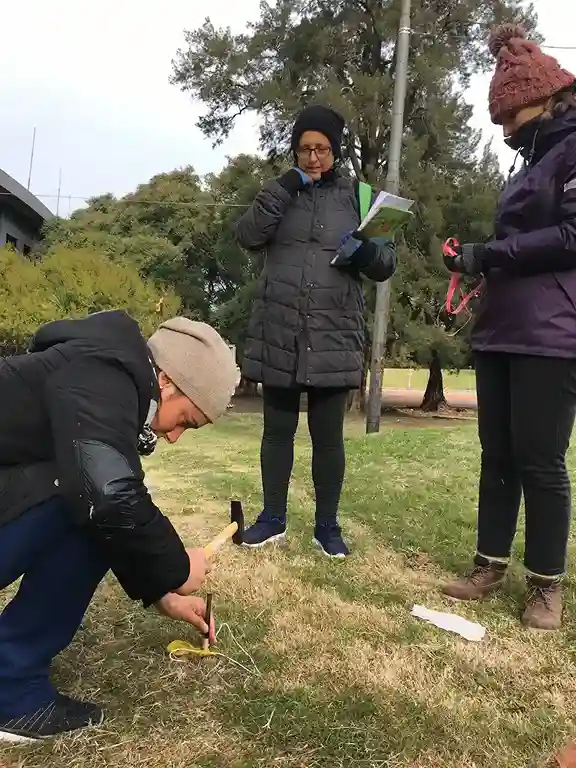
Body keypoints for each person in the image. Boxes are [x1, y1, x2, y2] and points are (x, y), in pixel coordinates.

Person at [0, 309, 239, 741]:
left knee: (86, 501)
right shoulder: (102, 374)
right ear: (166, 381)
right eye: (186, 420)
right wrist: (178, 569)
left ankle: (11, 682)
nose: (175, 436)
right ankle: (10, 689)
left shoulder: (101, 372)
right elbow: (106, 496)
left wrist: (158, 590)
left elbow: (106, 503)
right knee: (85, 498)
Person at [442, 24, 576, 630]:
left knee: (540, 459)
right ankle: (488, 563)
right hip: (500, 326)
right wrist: (470, 259)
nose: (504, 127)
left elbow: (572, 238)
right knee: (495, 454)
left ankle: (547, 584)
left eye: (509, 113)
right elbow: (513, 242)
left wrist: (490, 254)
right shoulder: (525, 163)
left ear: (544, 97)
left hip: (553, 332)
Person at [235, 105, 396, 557]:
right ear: (294, 150)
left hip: (333, 333)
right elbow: (246, 235)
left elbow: (385, 264)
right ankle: (272, 519)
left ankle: (327, 527)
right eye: (304, 148)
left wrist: (363, 253)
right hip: (279, 329)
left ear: (335, 151)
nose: (312, 158)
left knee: (328, 439)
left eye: (321, 149)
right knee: (276, 432)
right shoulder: (278, 194)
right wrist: (282, 188)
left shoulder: (360, 197)